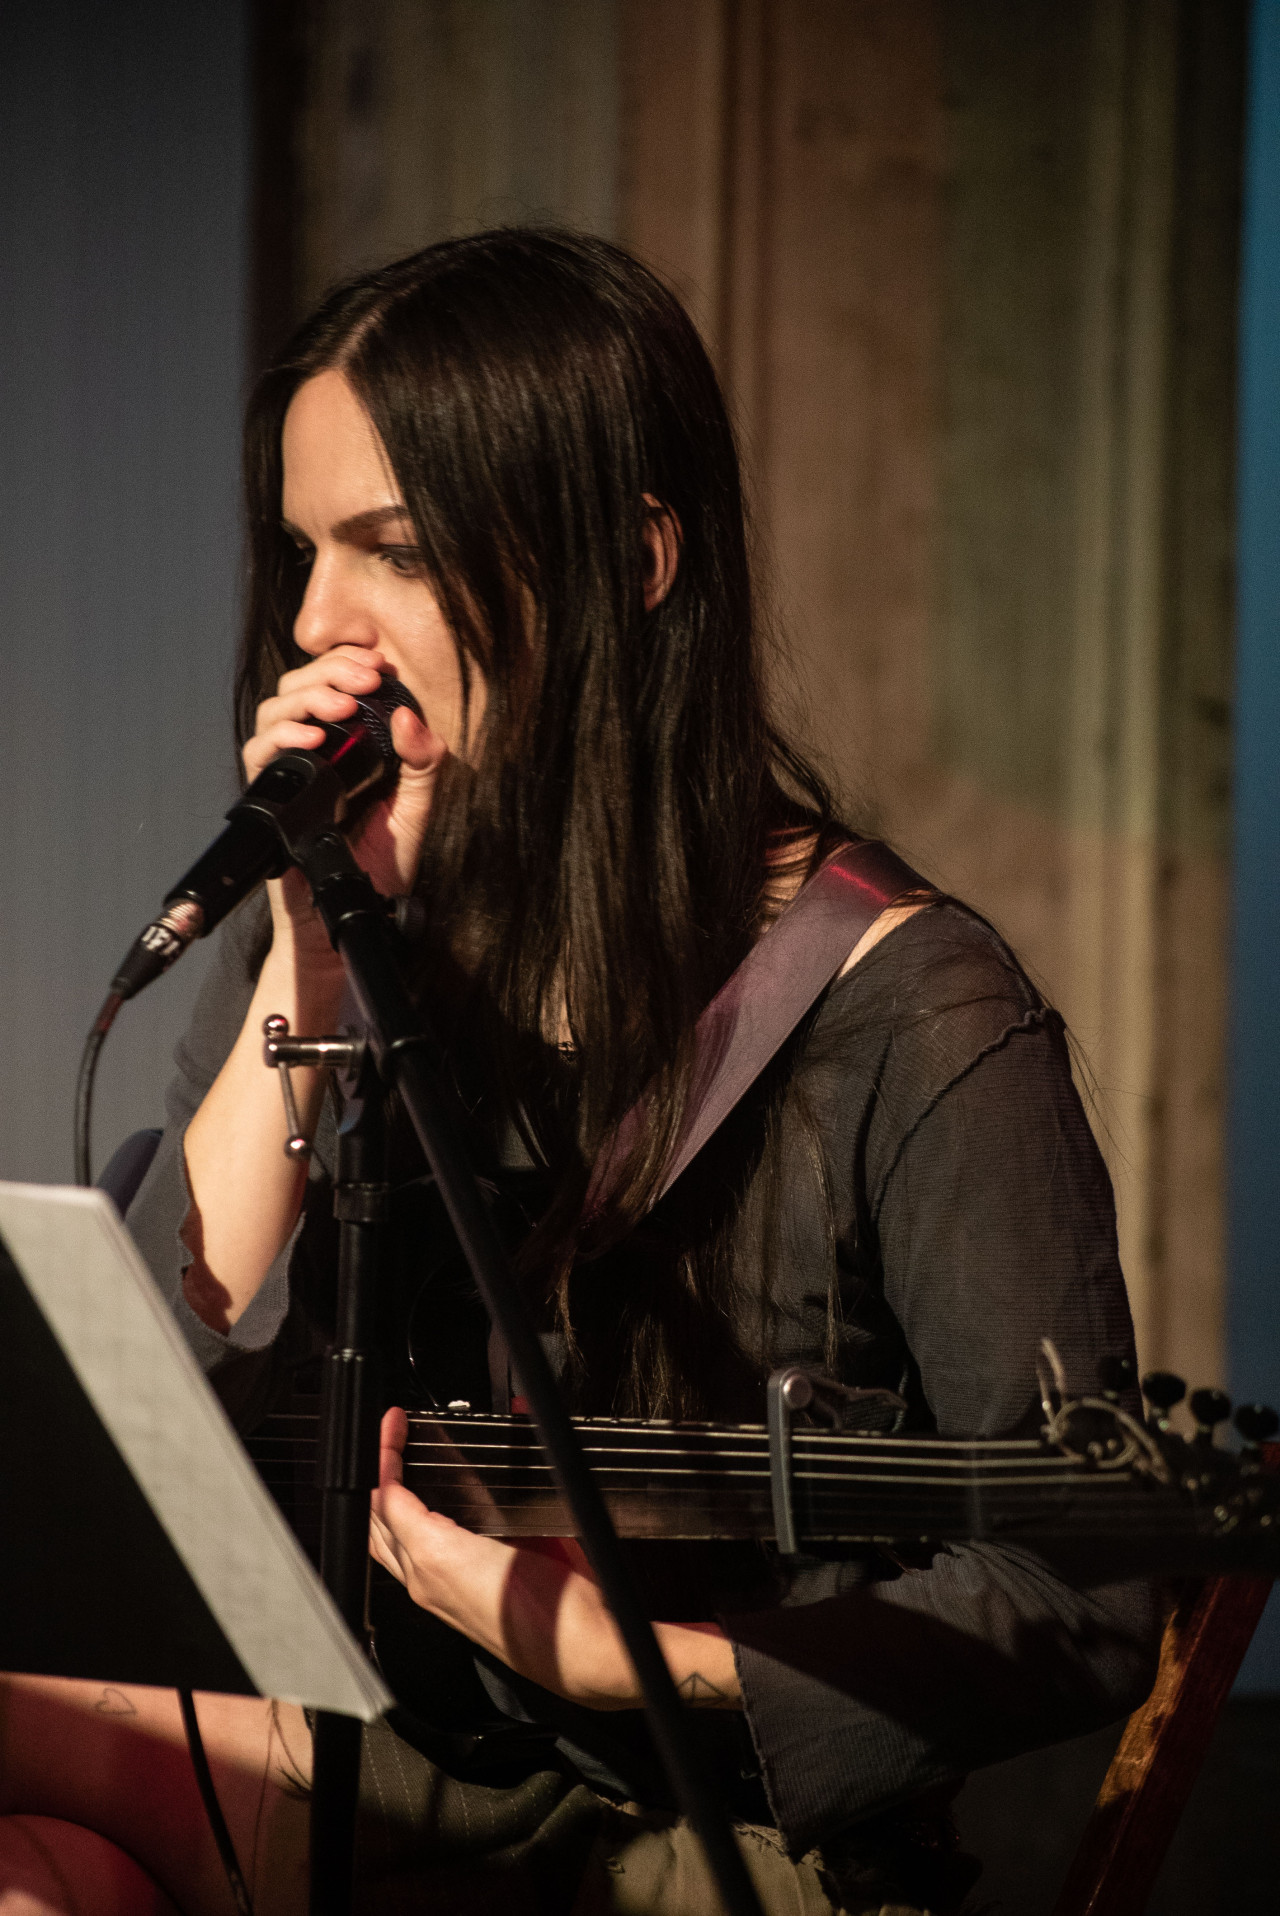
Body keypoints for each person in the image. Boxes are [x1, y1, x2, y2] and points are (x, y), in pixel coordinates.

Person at [0, 230, 1159, 1916]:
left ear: (629, 559)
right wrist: (314, 961)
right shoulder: (344, 923)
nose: (320, 621)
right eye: (302, 550)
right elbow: (158, 1406)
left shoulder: (915, 1009)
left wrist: (639, 1659)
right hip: (397, 1766)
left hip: (712, 1834)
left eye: (388, 550)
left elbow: (1081, 1597)